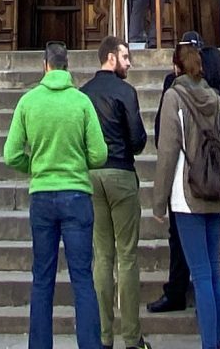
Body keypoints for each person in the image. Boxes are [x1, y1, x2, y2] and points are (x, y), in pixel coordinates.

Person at [6, 42, 109, 349]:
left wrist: (36, 167)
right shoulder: (81, 102)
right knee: (82, 278)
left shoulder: (28, 102)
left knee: (42, 278)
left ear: (45, 65)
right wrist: (78, 164)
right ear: (67, 67)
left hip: (42, 197)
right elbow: (100, 154)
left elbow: (11, 155)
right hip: (76, 194)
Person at [146, 35, 220, 318]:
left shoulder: (174, 96)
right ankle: (218, 338)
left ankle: (209, 337)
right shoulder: (219, 99)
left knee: (201, 272)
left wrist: (159, 202)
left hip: (187, 191)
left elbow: (167, 149)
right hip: (217, 188)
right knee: (213, 271)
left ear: (177, 66)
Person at [80, 36, 149, 349]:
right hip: (121, 172)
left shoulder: (83, 95)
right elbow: (137, 139)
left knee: (102, 257)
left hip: (92, 176)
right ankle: (132, 338)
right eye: (125, 56)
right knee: (127, 257)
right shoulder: (126, 92)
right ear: (110, 57)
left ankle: (104, 337)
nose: (129, 62)